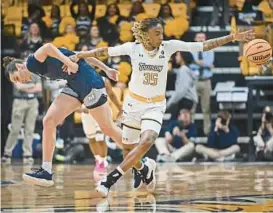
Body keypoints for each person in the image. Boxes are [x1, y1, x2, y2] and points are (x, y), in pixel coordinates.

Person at [75, 17, 255, 197]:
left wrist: (231, 38)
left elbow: (203, 46)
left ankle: (109, 180)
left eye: (162, 32)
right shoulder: (133, 48)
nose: (162, 36)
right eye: (157, 33)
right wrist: (83, 55)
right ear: (146, 35)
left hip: (154, 105)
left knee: (148, 139)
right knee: (128, 151)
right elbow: (104, 51)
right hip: (133, 104)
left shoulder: (168, 47)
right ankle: (146, 168)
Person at [3, 43, 123, 187]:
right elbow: (80, 54)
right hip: (74, 85)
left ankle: (138, 155)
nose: (19, 82)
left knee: (107, 128)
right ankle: (46, 171)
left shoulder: (31, 61)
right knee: (49, 120)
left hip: (89, 83)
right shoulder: (35, 67)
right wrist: (107, 69)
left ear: (19, 67)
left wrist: (68, 63)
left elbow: (47, 47)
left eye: (16, 78)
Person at [81, 76, 122, 180]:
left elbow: (111, 94)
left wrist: (120, 108)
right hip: (87, 112)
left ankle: (102, 163)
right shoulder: (77, 79)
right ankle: (98, 160)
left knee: (100, 138)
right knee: (91, 138)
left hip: (101, 110)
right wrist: (79, 108)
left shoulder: (103, 80)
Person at [1, 69, 42, 165]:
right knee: (15, 129)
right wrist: (32, 86)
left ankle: (27, 155)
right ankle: (7, 154)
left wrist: (26, 87)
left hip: (33, 101)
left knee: (30, 129)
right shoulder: (15, 72)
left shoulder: (36, 73)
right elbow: (18, 87)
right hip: (20, 101)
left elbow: (39, 88)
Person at [191, 32, 215, 136]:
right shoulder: (191, 50)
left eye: (203, 38)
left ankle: (207, 132)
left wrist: (196, 62)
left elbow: (209, 62)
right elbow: (190, 65)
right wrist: (206, 64)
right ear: (195, 39)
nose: (201, 39)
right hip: (194, 81)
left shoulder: (210, 50)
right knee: (192, 108)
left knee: (206, 108)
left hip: (206, 81)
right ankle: (190, 132)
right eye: (199, 37)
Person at [166, 51, 198, 119]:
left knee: (174, 123)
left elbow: (180, 91)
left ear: (182, 57)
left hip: (185, 102)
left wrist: (168, 104)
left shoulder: (183, 70)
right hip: (187, 101)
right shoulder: (186, 69)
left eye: (177, 55)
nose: (175, 57)